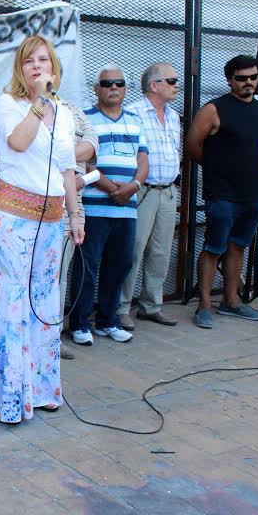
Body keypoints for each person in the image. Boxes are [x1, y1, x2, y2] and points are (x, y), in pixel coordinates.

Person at [0, 35, 83, 423]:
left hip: (52, 221)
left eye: (43, 60)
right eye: (29, 61)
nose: (37, 66)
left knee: (43, 299)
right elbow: (17, 144)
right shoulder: (8, 104)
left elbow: (67, 168)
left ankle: (42, 387)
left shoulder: (64, 112)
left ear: (54, 67)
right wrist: (38, 103)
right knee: (12, 299)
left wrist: (76, 214)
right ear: (21, 68)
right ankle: (6, 397)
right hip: (14, 218)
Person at [186, 55, 258, 329]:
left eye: (253, 77)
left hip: (252, 195)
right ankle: (205, 305)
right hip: (222, 195)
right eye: (242, 78)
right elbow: (193, 146)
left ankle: (232, 301)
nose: (249, 83)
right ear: (230, 80)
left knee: (238, 247)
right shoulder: (214, 109)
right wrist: (217, 170)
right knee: (213, 248)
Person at [69, 65, 148, 346]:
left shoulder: (136, 121)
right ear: (96, 89)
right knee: (87, 266)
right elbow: (81, 160)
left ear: (126, 88)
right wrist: (109, 186)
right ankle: (79, 324)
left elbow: (143, 160)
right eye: (107, 84)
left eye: (119, 83)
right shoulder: (85, 120)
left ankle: (107, 321)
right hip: (94, 207)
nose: (113, 87)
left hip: (127, 207)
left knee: (119, 265)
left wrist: (134, 186)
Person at [117, 62, 182, 330]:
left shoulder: (174, 115)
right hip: (142, 192)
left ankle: (151, 305)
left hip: (167, 191)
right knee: (132, 250)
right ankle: (121, 308)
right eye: (171, 80)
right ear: (154, 85)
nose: (177, 84)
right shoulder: (132, 113)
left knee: (160, 251)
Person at [56, 98, 98, 360]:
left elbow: (92, 144)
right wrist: (69, 157)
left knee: (59, 276)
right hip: (33, 206)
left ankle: (53, 336)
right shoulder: (21, 106)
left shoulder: (72, 110)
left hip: (71, 208)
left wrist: (65, 162)